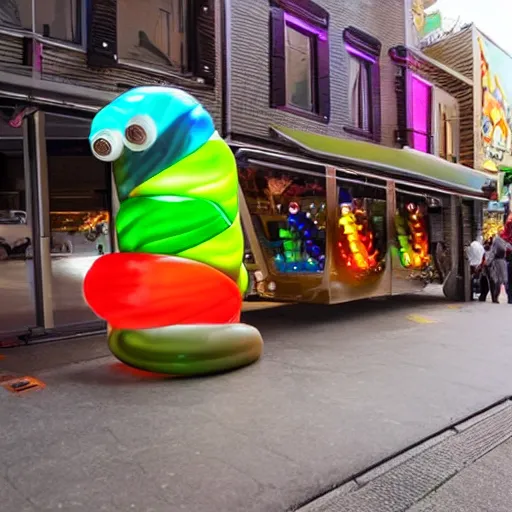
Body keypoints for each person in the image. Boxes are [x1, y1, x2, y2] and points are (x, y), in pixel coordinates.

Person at [483, 226, 512, 303]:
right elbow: (493, 252)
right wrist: (488, 262)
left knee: (501, 281)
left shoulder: (505, 240)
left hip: (502, 262)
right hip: (497, 263)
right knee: (497, 281)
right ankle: (495, 297)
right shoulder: (498, 240)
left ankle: (497, 297)